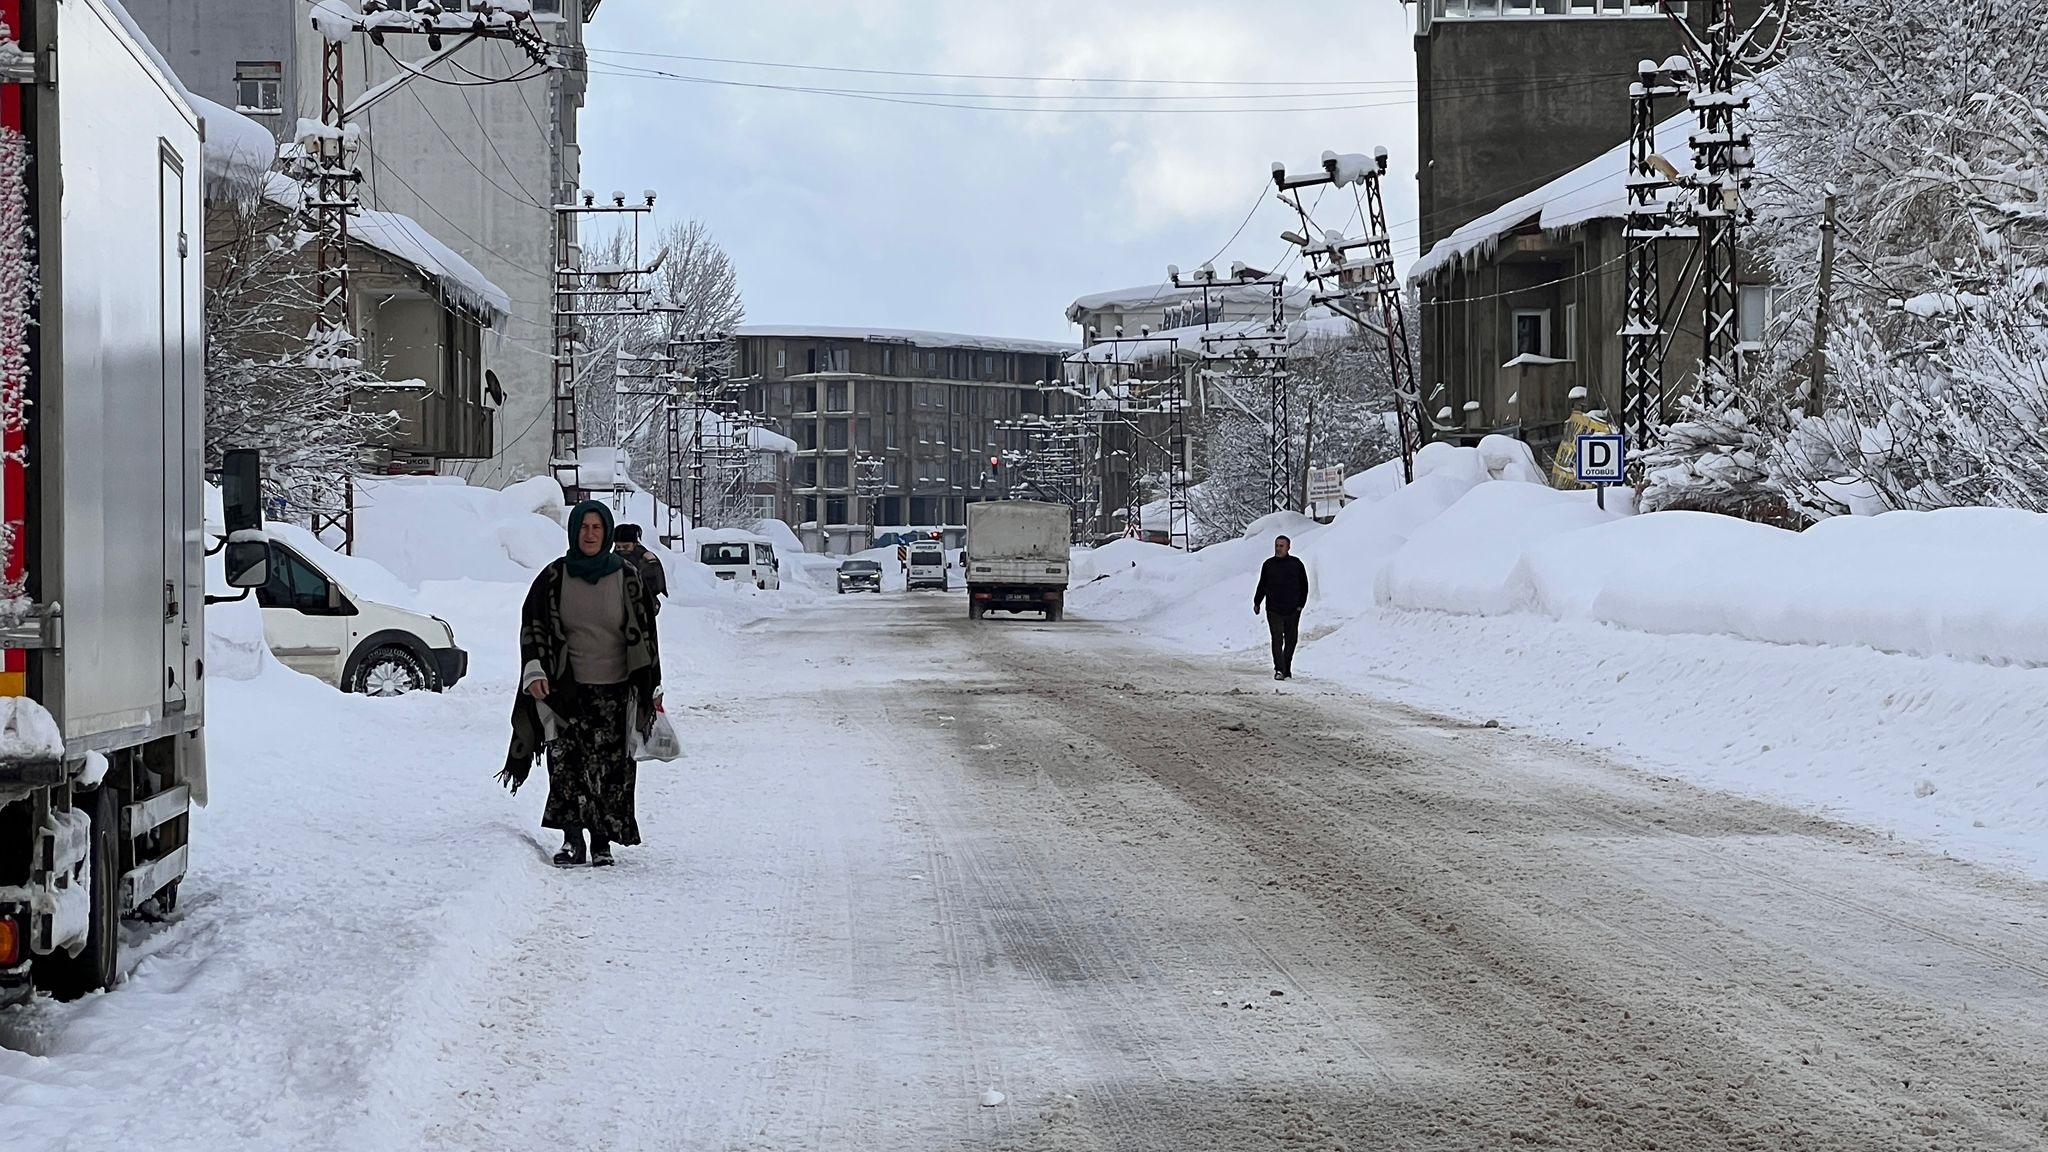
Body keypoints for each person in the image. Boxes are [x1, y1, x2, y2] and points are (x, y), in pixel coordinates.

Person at [498, 501, 662, 868]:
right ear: (574, 532)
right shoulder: (554, 577)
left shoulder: (627, 577)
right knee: (566, 767)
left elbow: (647, 633)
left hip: (616, 690)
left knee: (610, 768)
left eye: (596, 527)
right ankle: (572, 839)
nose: (590, 534)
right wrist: (534, 671)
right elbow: (533, 626)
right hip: (564, 690)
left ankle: (602, 840)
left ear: (606, 533)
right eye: (584, 527)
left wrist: (650, 683)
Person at [1252, 535, 1309, 681]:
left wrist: (1300, 605)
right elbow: (1262, 584)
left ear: (1288, 547)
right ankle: (1279, 669)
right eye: (1276, 545)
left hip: (1292, 609)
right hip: (1273, 608)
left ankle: (1286, 668)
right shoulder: (1268, 564)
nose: (1278, 548)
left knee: (1291, 640)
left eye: (1281, 546)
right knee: (1277, 639)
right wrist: (1257, 602)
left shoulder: (1296, 564)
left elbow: (1304, 586)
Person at [611, 523, 668, 609]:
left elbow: (655, 586)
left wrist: (651, 565)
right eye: (618, 547)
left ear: (635, 544)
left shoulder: (645, 558)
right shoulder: (613, 558)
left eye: (626, 547)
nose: (621, 550)